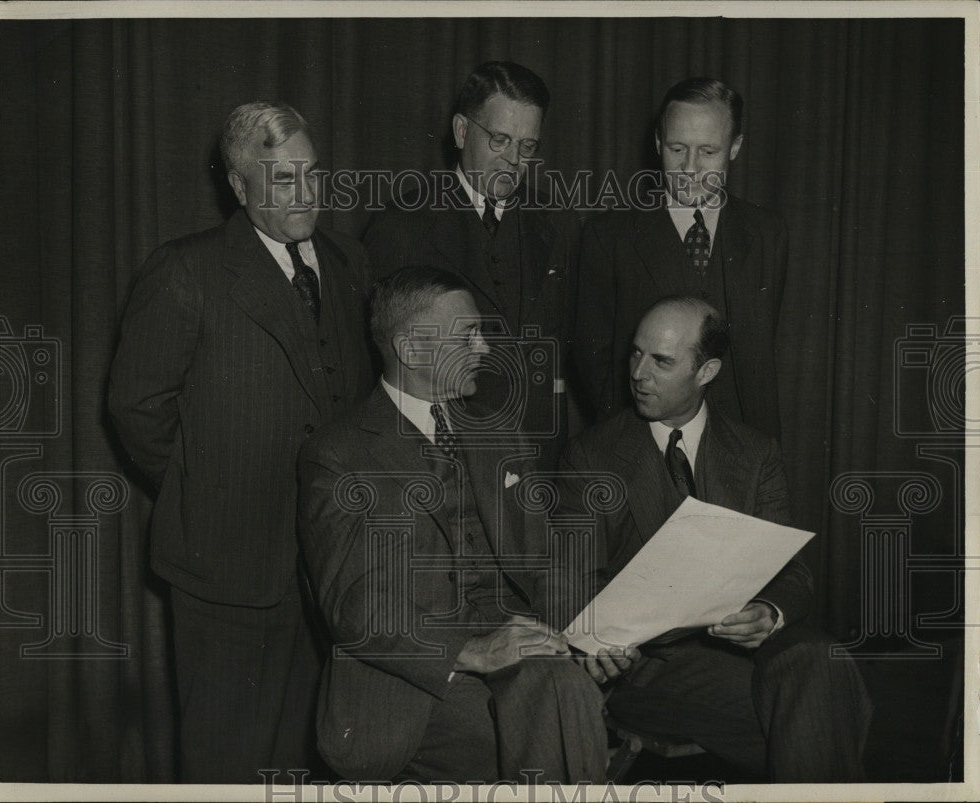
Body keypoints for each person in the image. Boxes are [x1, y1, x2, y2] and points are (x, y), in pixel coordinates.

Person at [108, 101, 375, 782]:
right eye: (282, 179)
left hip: (330, 565)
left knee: (309, 758)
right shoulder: (186, 271)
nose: (305, 193)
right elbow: (138, 410)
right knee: (226, 764)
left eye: (312, 174)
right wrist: (210, 487)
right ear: (238, 184)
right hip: (225, 569)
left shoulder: (347, 264)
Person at [297, 266, 607, 783]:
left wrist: (591, 633)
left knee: (564, 691)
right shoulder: (338, 455)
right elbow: (357, 605)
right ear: (413, 350)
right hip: (413, 682)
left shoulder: (498, 432)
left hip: (515, 650)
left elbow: (543, 562)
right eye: (469, 335)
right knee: (548, 722)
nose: (485, 349)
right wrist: (471, 651)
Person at [557, 296, 872, 782]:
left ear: (707, 372)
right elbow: (573, 581)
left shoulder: (755, 451)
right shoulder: (591, 455)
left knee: (816, 658)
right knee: (826, 708)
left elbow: (795, 574)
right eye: (635, 353)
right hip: (651, 664)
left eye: (661, 361)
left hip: (751, 651)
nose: (638, 373)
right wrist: (598, 641)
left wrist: (768, 612)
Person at [364, 61, 580, 471]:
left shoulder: (558, 222)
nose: (514, 160)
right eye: (500, 139)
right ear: (462, 131)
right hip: (446, 461)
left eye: (527, 146)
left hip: (541, 459)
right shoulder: (402, 224)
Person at [576, 77, 787, 439]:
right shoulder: (608, 235)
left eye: (708, 152)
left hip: (742, 449)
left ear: (735, 147)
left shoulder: (768, 233)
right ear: (658, 143)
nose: (690, 168)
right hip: (642, 445)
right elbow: (593, 359)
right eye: (677, 148)